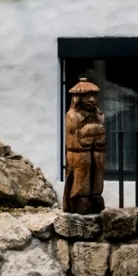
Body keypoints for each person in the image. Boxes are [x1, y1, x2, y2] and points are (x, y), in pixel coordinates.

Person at [60, 76, 106, 213]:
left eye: (94, 96)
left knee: (98, 174)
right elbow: (74, 139)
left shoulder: (99, 115)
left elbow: (102, 134)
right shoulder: (72, 116)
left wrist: (93, 135)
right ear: (77, 98)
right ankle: (81, 201)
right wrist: (90, 133)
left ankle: (96, 197)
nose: (92, 100)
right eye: (87, 96)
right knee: (82, 179)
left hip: (97, 151)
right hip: (79, 154)